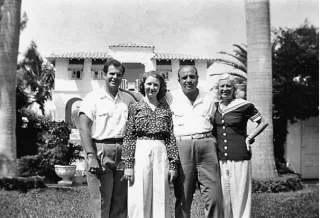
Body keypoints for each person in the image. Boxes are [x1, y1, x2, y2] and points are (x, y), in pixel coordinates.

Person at [78, 58, 136, 218]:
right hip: (100, 150)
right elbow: (83, 128)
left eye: (118, 74)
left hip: (123, 150)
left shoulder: (128, 99)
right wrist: (90, 155)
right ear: (104, 74)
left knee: (120, 201)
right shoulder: (92, 98)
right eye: (111, 73)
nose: (115, 77)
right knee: (101, 200)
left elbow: (133, 130)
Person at [165, 65, 224, 218]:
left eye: (192, 76)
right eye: (184, 77)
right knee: (183, 196)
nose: (189, 80)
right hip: (182, 146)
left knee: (214, 195)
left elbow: (213, 121)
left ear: (197, 78)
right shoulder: (170, 97)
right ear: (178, 80)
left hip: (206, 145)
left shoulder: (209, 98)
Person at [122, 71, 179, 218]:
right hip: (141, 149)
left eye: (156, 85)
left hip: (161, 150)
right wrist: (128, 165)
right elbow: (129, 135)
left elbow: (170, 137)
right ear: (143, 85)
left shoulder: (165, 109)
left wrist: (173, 165)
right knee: (139, 192)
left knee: (161, 193)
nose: (152, 87)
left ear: (160, 87)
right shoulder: (135, 107)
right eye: (149, 84)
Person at [213, 73, 268, 218]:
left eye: (228, 86)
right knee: (223, 196)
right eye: (222, 86)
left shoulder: (244, 105)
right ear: (217, 89)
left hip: (239, 156)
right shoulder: (214, 107)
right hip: (219, 157)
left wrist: (250, 137)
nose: (225, 89)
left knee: (240, 195)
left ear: (234, 88)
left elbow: (263, 122)